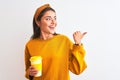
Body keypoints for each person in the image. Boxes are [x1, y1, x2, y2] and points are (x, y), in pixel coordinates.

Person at [24, 3, 87, 80]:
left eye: (55, 18)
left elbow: (78, 70)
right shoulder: (30, 45)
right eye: (48, 19)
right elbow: (28, 71)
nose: (54, 22)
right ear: (38, 22)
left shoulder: (64, 41)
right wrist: (29, 73)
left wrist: (78, 44)